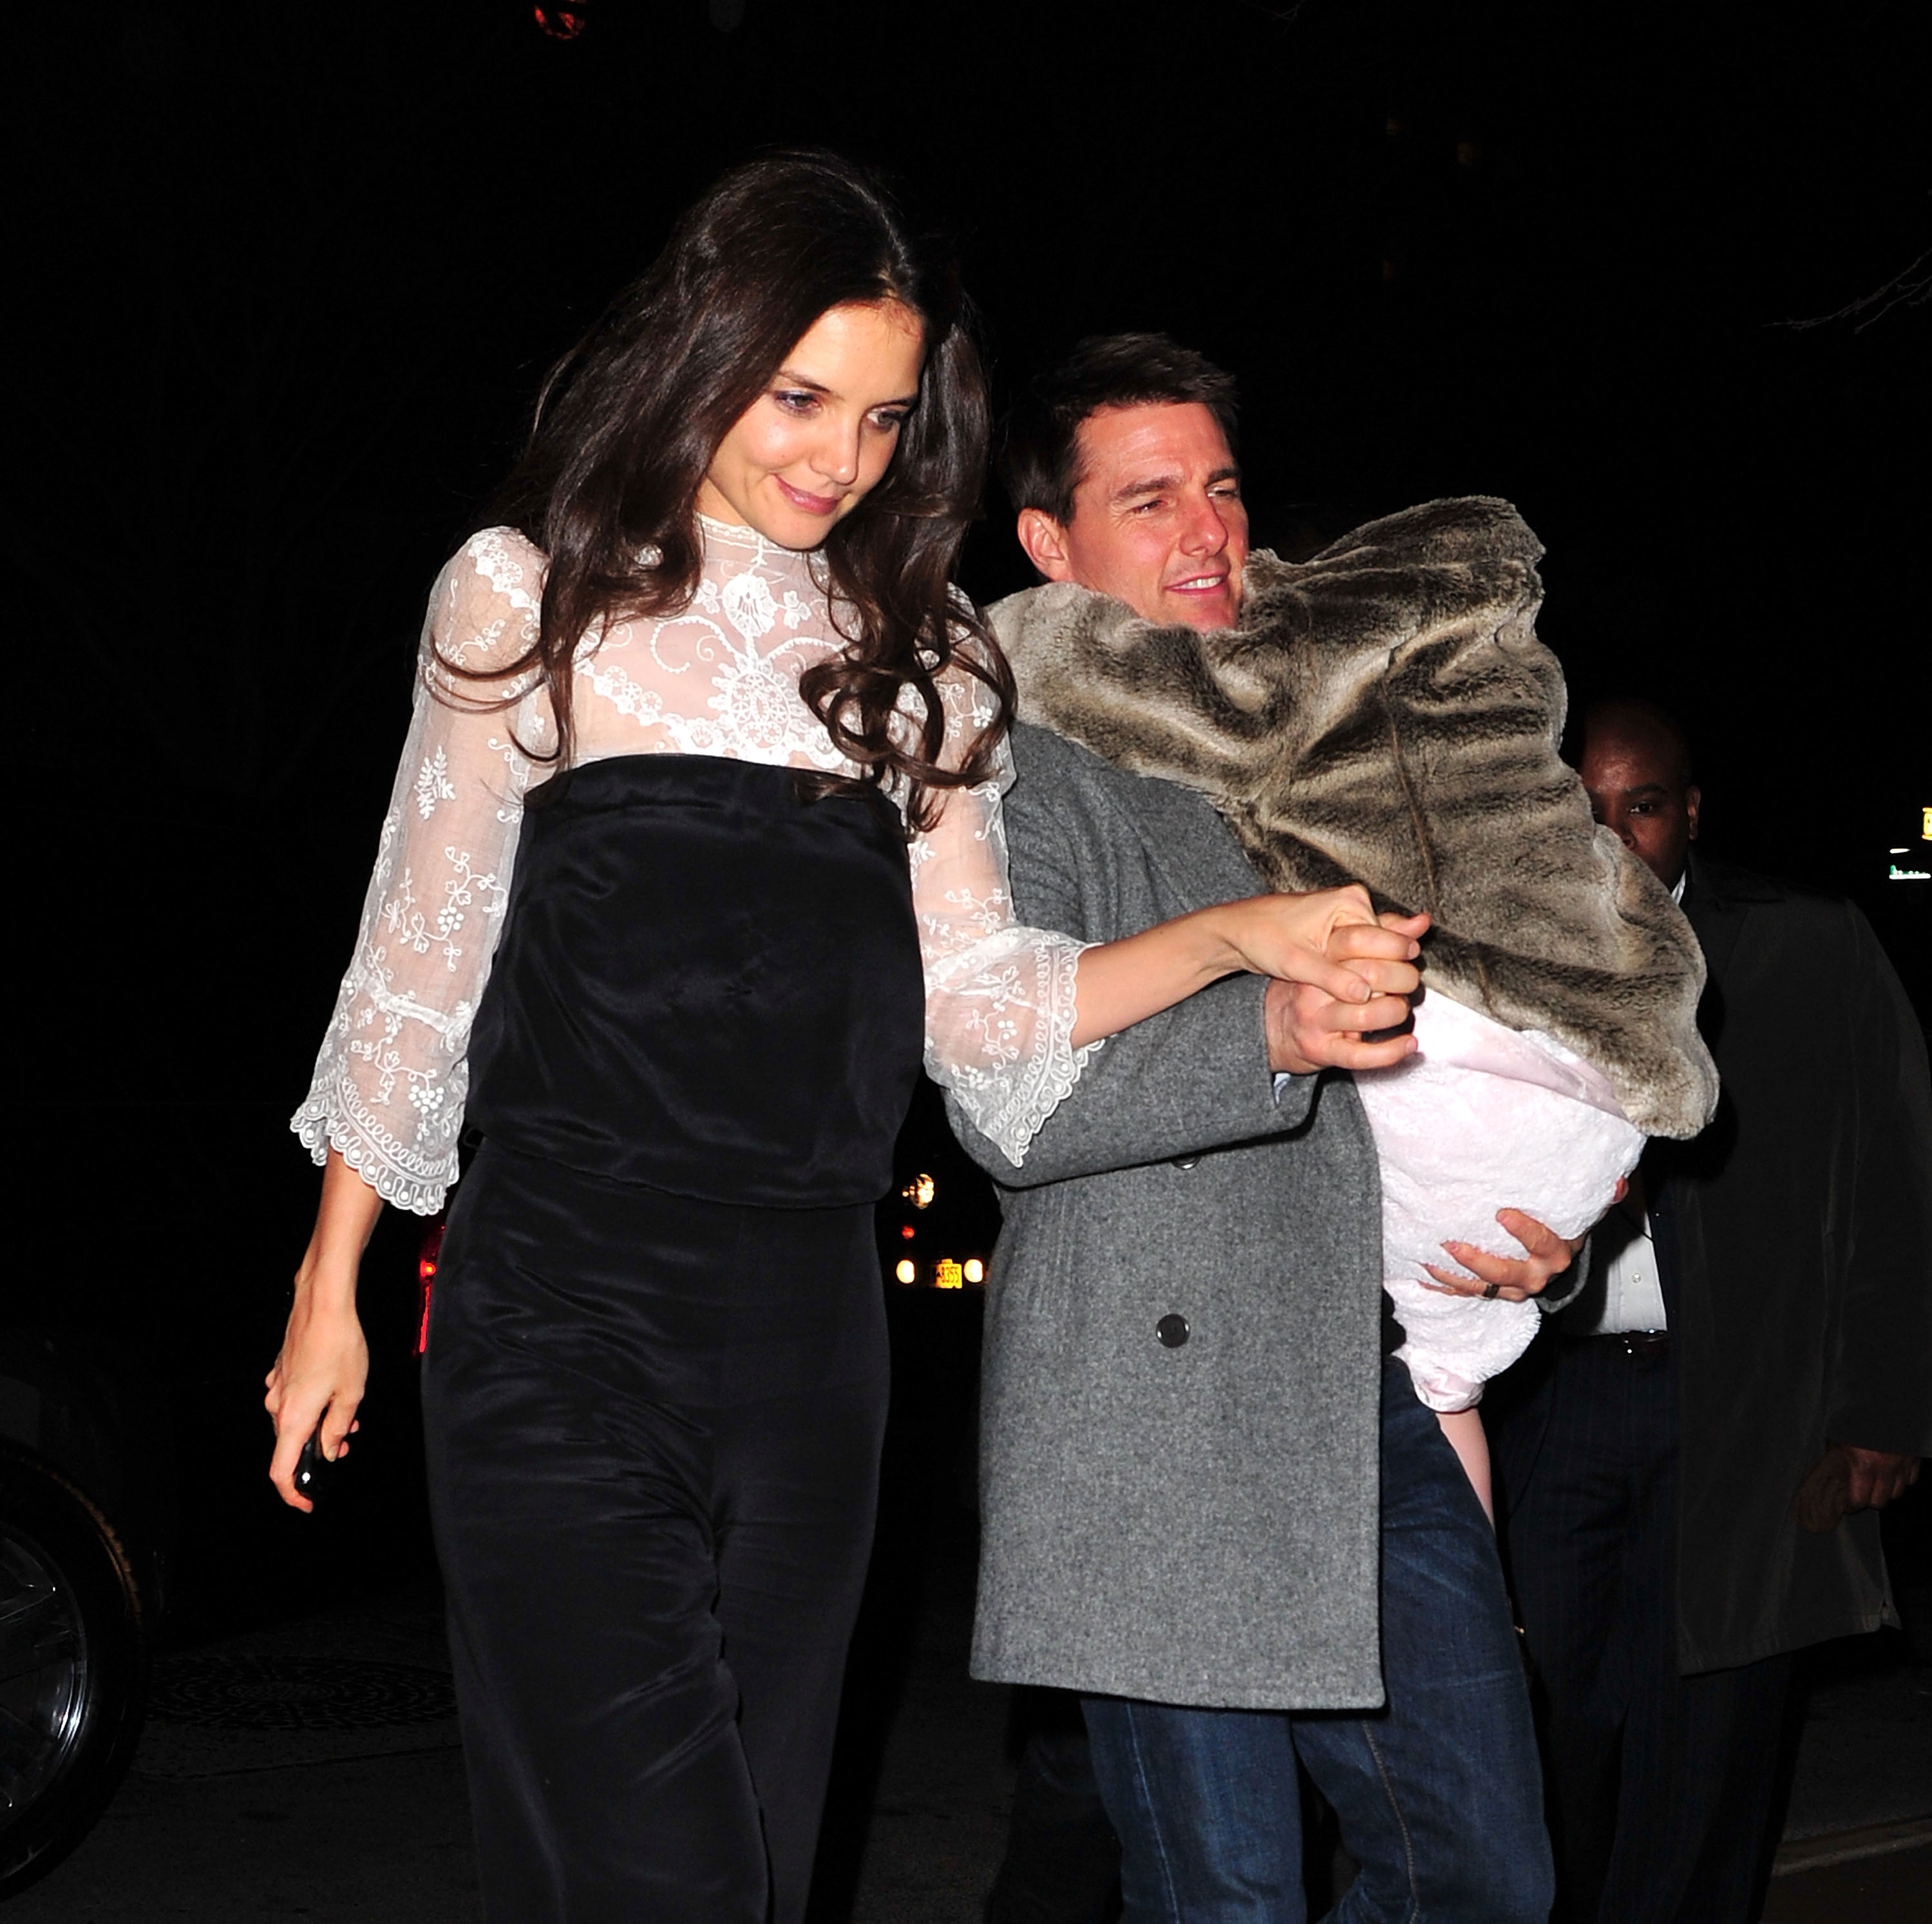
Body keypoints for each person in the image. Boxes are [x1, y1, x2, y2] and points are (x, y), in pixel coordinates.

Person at [263, 163, 1424, 1924]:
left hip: (809, 1354)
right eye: (801, 396)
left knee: (761, 1859)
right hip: (560, 1320)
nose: (841, 458)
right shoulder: (530, 596)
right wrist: (330, 1279)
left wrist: (1242, 935)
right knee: (679, 1879)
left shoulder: (922, 654)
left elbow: (988, 1008)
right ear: (700, 351)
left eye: (885, 417)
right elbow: (416, 970)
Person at [958, 333, 1586, 1924]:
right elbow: (1000, 1109)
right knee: (1225, 1901)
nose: (1210, 536)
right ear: (1049, 543)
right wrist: (1268, 1027)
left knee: (1487, 1876)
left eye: (1223, 492)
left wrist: (1540, 1240)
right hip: (1152, 1425)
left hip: (1359, 1384)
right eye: (1151, 500)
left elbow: (1496, 1046)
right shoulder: (1005, 768)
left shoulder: (1336, 738)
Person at [1486, 697, 1932, 1924]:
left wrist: (1882, 1405)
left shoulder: (1810, 946)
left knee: (1711, 1753)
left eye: (1641, 806)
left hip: (1741, 1403)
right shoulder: (1501, 961)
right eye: (1583, 810)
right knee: (1543, 1724)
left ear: (1690, 812)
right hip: (1554, 1395)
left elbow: (1897, 1182)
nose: (1613, 837)